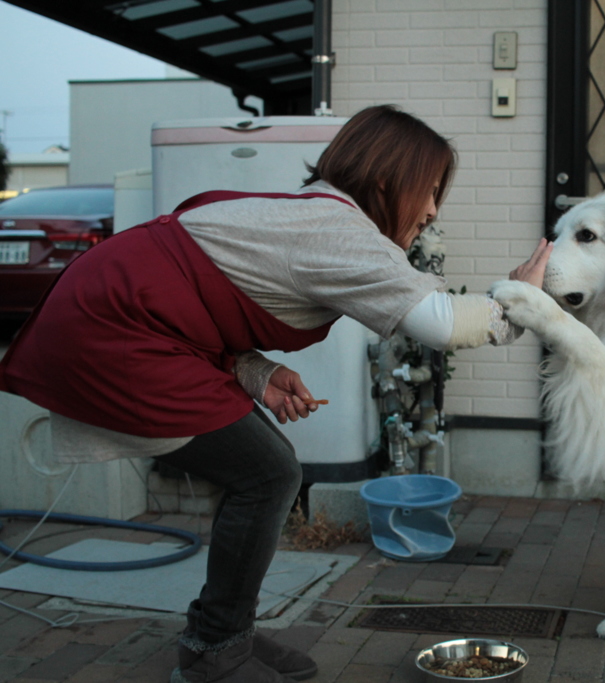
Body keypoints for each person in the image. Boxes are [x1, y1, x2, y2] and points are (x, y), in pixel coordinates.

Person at [0, 104, 552, 683]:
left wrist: (257, 373)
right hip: (111, 329)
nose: (435, 208)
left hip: (121, 317)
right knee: (266, 475)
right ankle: (215, 651)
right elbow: (440, 322)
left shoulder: (317, 218)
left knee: (268, 472)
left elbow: (198, 298)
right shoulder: (336, 230)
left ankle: (221, 633)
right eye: (431, 190)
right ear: (389, 179)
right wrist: (521, 301)